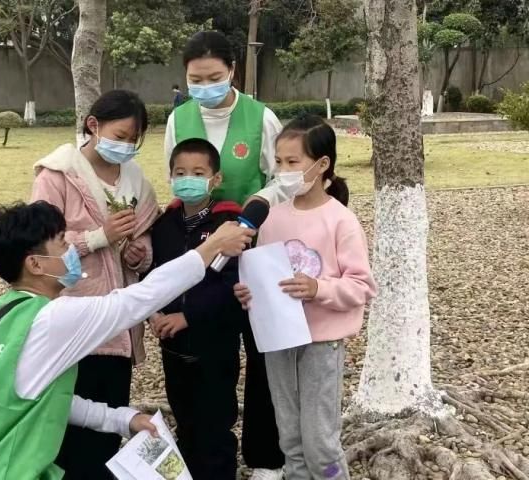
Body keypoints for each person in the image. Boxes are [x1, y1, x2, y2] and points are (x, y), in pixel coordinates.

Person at [0, 201, 255, 479]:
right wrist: (210, 248)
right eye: (61, 243)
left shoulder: (3, 310)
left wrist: (121, 419)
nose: (71, 250)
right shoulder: (52, 319)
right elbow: (136, 301)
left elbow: (44, 397)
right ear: (35, 264)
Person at [165, 30, 287, 479]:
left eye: (214, 77)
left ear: (233, 70)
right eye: (195, 80)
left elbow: (283, 176)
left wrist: (254, 210)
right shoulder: (179, 118)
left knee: (260, 350)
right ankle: (204, 445)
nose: (204, 87)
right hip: (202, 247)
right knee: (209, 345)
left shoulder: (261, 117)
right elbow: (175, 179)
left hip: (254, 244)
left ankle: (265, 458)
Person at [234, 115, 377, 480]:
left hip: (321, 345)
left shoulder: (341, 221)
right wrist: (249, 292)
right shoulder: (270, 217)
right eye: (278, 162)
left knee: (320, 441)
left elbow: (361, 286)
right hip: (279, 342)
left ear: (322, 163)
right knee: (290, 438)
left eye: (292, 162)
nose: (283, 171)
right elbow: (264, 275)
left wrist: (318, 288)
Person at [31, 89, 159, 478]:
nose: (126, 146)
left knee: (111, 414)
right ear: (93, 126)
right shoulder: (57, 175)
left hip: (117, 321)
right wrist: (99, 236)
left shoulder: (135, 179)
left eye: (132, 140)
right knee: (67, 415)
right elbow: (39, 247)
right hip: (73, 313)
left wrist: (139, 253)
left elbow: (145, 234)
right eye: (119, 136)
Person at [148, 138, 246, 480]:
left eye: (198, 172)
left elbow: (232, 285)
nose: (187, 179)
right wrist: (155, 313)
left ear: (215, 179)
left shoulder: (230, 225)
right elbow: (154, 274)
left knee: (215, 427)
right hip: (173, 347)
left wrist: (188, 317)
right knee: (185, 421)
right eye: (180, 172)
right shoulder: (164, 225)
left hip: (214, 347)